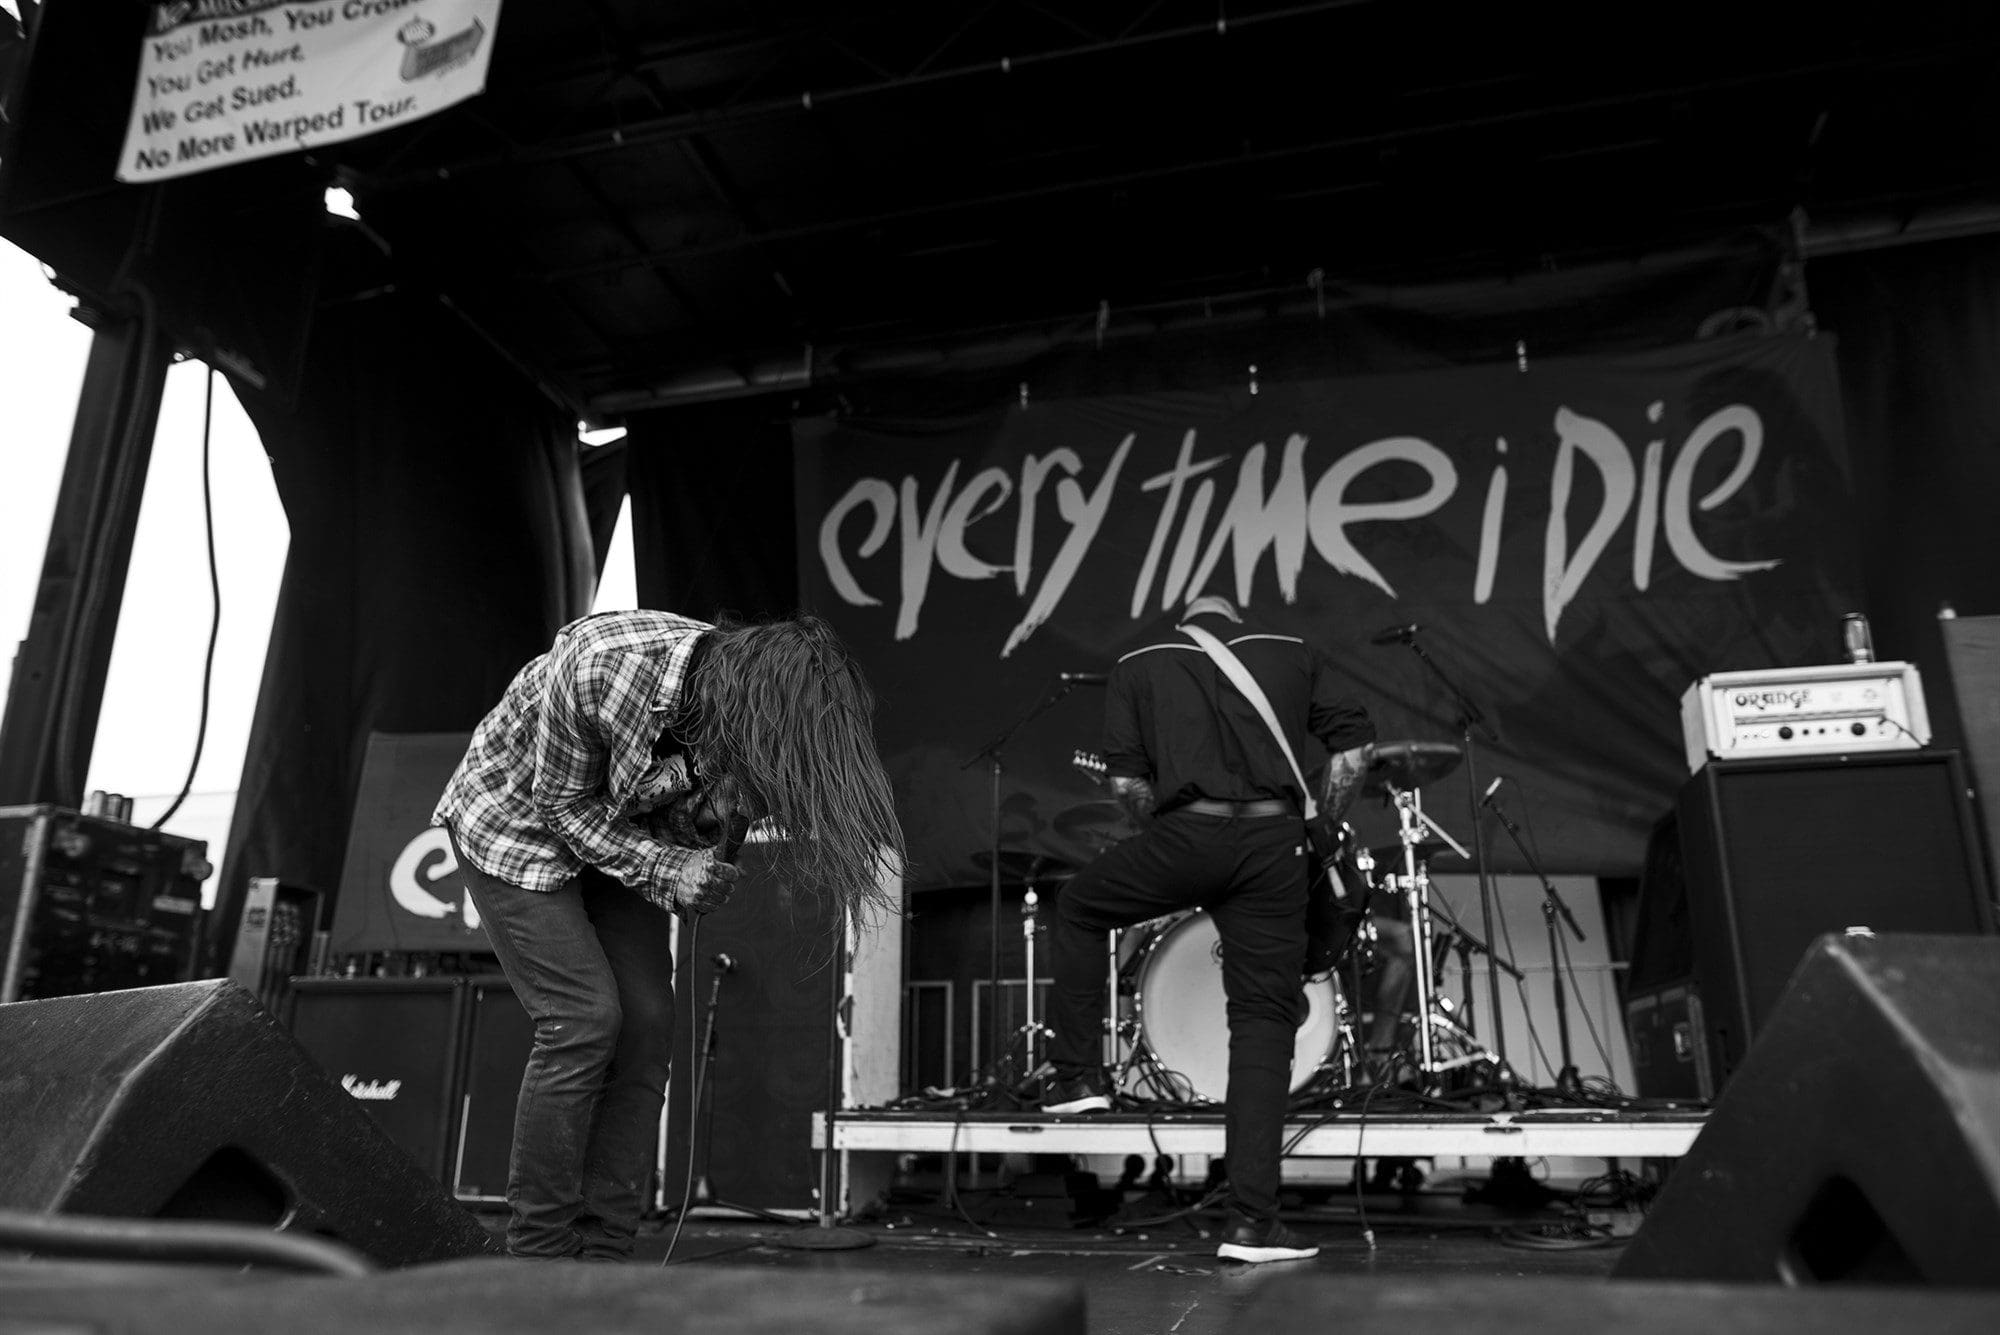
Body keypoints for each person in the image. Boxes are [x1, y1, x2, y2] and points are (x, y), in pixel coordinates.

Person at [433, 609, 904, 1260]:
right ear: (744, 704)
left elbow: (664, 810)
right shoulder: (604, 663)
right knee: (583, 1019)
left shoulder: (733, 728)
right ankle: (539, 1250)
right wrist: (669, 868)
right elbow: (562, 804)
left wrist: (710, 830)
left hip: (619, 837)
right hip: (517, 827)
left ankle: (604, 1249)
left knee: (650, 1025)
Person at [1039, 593, 1375, 1264]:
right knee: (1263, 1020)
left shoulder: (1139, 662)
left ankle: (1078, 1078)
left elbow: (1128, 785)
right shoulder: (1292, 652)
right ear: (1234, 618)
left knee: (1077, 906)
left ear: (1187, 620)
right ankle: (1252, 1224)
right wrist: (1324, 826)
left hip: (1187, 835)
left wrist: (1174, 840)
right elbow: (1355, 750)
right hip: (1274, 843)